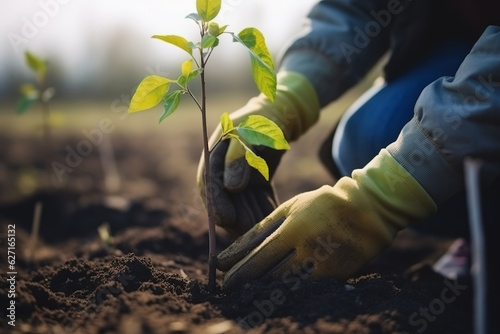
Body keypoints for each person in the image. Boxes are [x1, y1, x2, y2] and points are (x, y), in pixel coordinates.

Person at [197, 0, 500, 291]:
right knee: (367, 136)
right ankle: (476, 228)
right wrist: (288, 97)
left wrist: (379, 200)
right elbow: (353, 6)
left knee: (383, 140)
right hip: (465, 46)